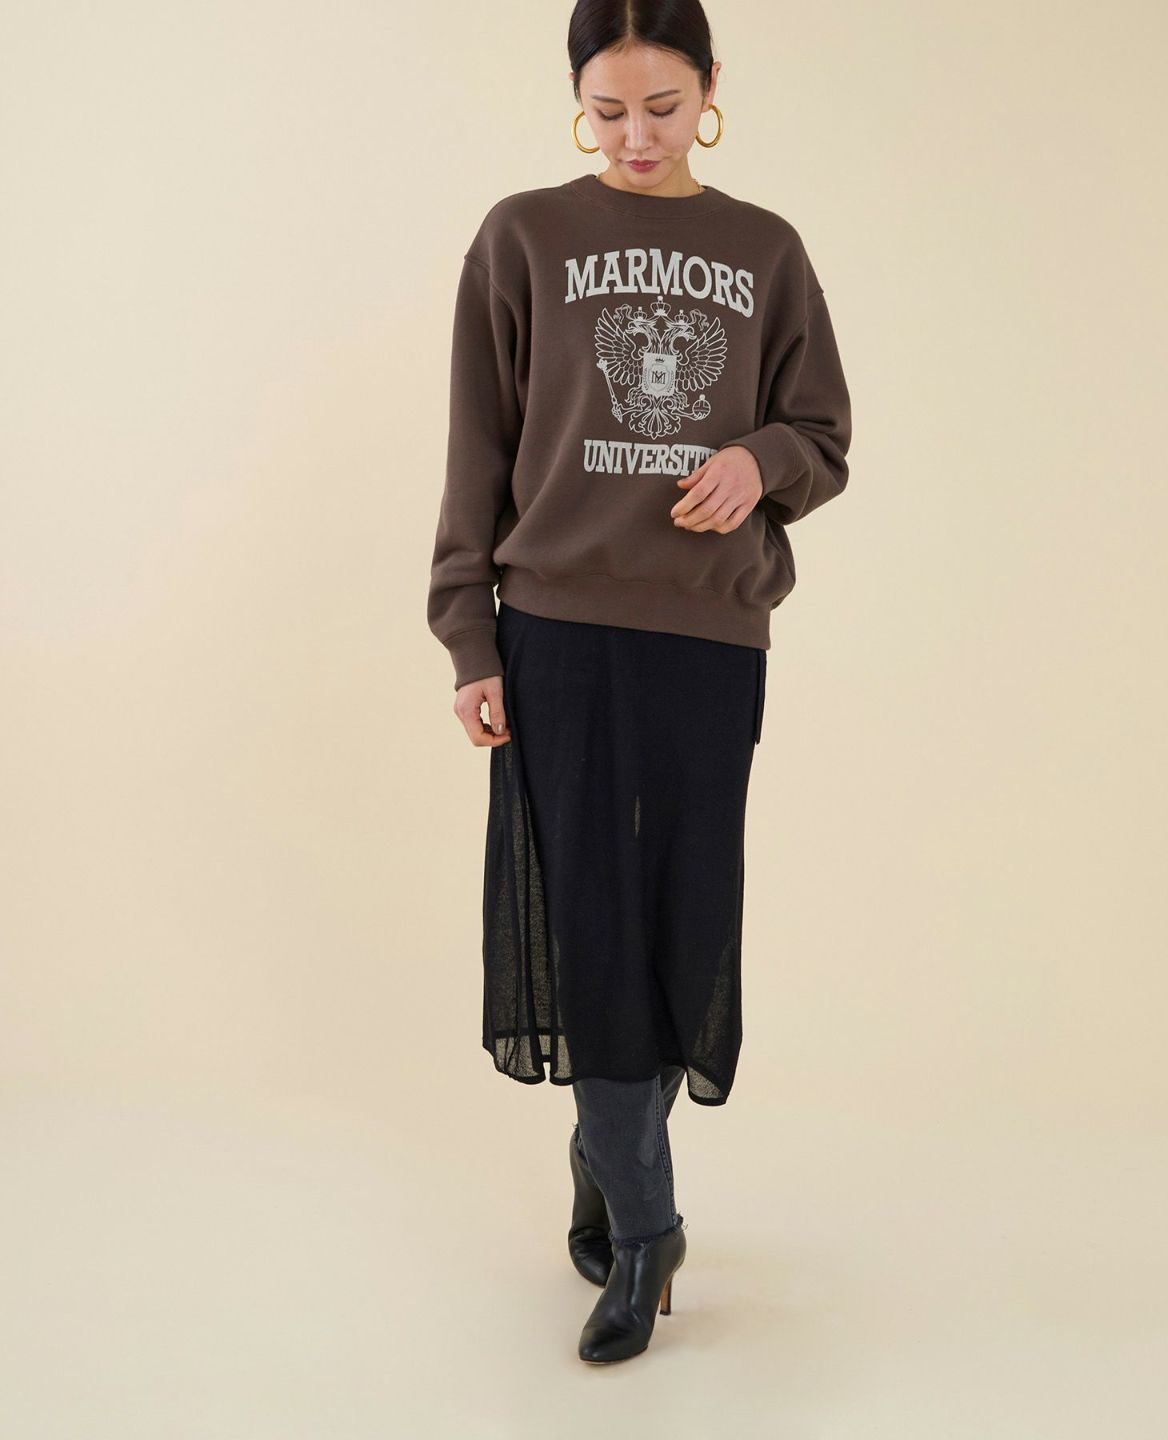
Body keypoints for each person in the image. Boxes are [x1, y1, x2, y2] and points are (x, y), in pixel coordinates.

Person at [427, 0, 852, 1365]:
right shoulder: (522, 238)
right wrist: (469, 636)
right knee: (588, 926)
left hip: (708, 638)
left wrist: (758, 462)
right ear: (577, 98)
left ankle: (606, 1154)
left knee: (681, 922)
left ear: (711, 87)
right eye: (607, 110)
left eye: (663, 107)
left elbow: (824, 436)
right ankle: (649, 1224)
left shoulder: (765, 250)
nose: (635, 137)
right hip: (556, 631)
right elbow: (477, 448)